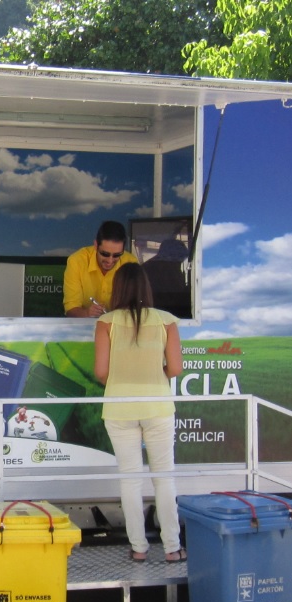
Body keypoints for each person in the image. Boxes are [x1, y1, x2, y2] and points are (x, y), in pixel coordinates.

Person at [93, 262, 185, 563]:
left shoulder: (106, 323)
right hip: (157, 405)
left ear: (117, 289)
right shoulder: (167, 321)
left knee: (130, 479)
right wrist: (153, 376)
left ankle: (139, 548)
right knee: (164, 478)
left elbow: (101, 372)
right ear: (146, 287)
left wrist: (122, 381)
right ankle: (172, 548)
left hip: (119, 408)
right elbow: (175, 368)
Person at [64, 220, 138, 317]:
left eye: (117, 255)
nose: (110, 260)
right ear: (95, 245)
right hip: (85, 326)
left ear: (123, 250)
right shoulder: (77, 261)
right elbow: (70, 309)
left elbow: (136, 307)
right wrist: (87, 313)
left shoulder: (130, 263)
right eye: (105, 254)